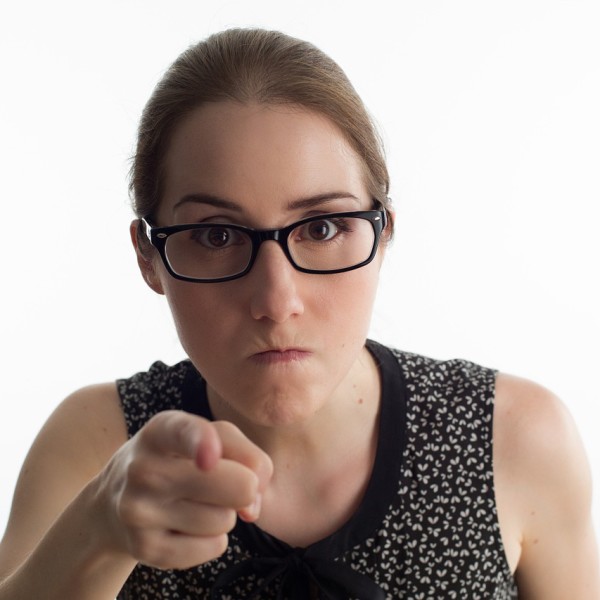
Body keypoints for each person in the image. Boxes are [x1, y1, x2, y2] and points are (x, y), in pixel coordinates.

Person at [0, 27, 598, 600]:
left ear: (383, 233)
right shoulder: (92, 443)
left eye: (322, 227)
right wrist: (98, 530)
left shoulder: (516, 438)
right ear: (148, 257)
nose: (276, 302)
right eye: (215, 235)